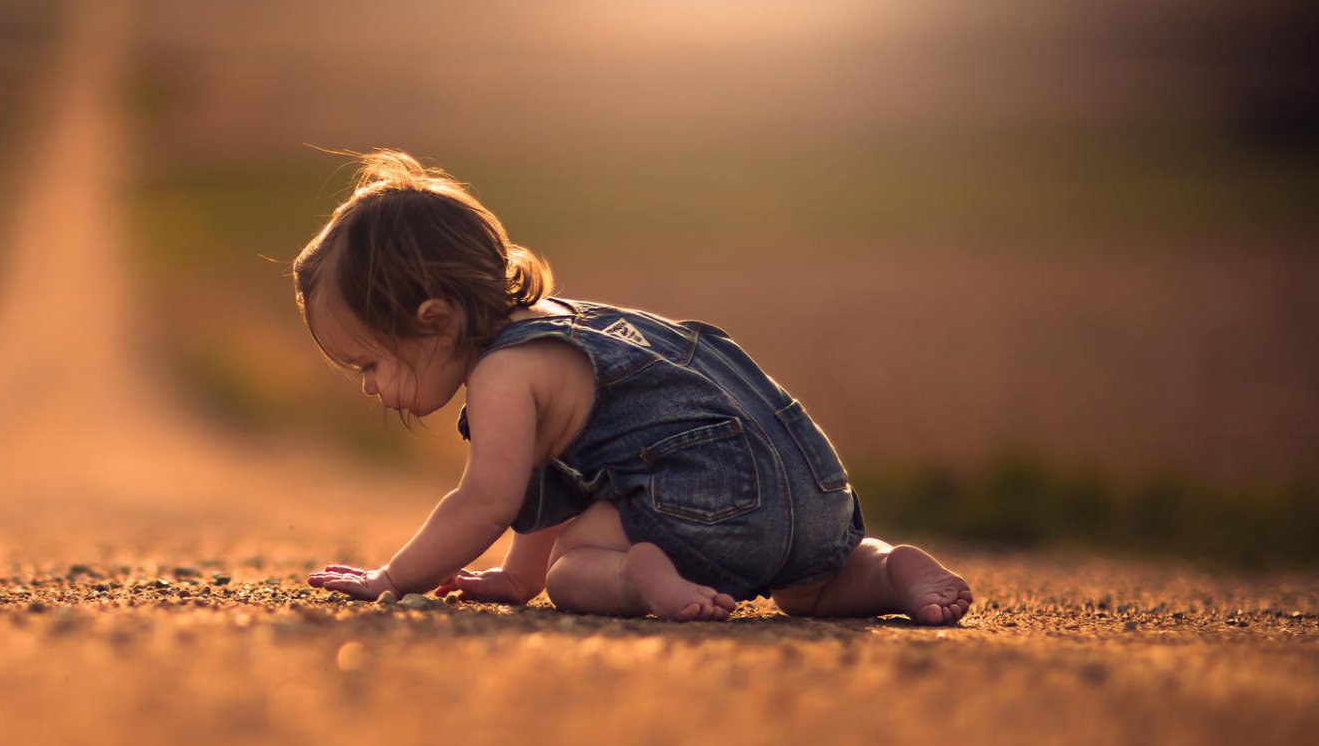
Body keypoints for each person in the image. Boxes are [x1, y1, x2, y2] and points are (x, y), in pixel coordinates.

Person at [297, 150, 972, 624]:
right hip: (819, 496)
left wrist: (393, 578)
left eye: (369, 365)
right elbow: (551, 478)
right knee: (809, 592)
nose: (368, 388)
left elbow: (485, 499)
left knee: (574, 570)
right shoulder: (572, 325)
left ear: (435, 320)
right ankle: (889, 570)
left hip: (714, 512)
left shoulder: (503, 371)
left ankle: (642, 574)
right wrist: (515, 577)